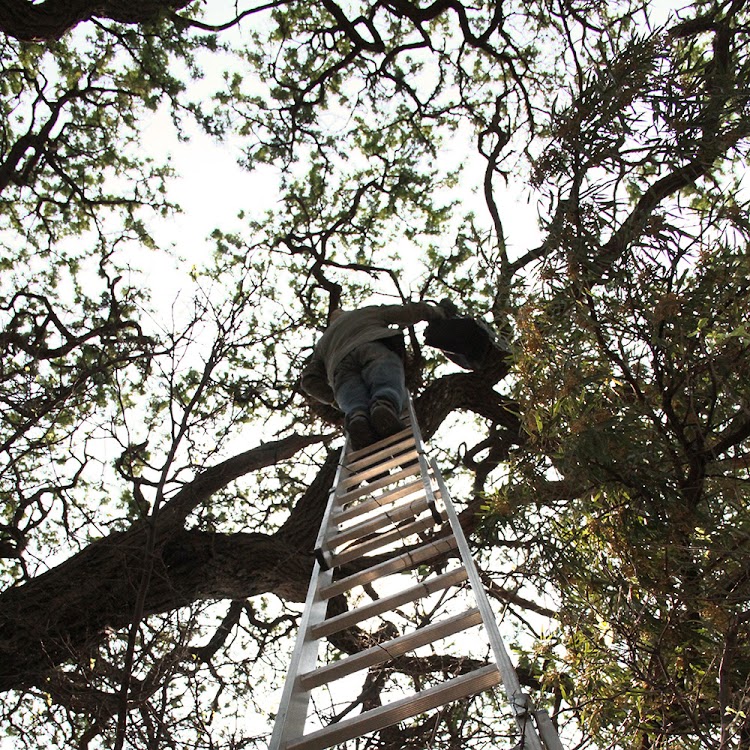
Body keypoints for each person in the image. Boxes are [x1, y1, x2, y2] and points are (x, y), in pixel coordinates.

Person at [301, 301, 447, 450]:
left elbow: (308, 380)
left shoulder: (323, 342)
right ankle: (384, 406)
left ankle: (358, 419)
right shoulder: (365, 312)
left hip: (339, 367)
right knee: (385, 380)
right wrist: (438, 312)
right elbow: (408, 312)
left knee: (354, 405)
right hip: (372, 345)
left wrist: (333, 399)